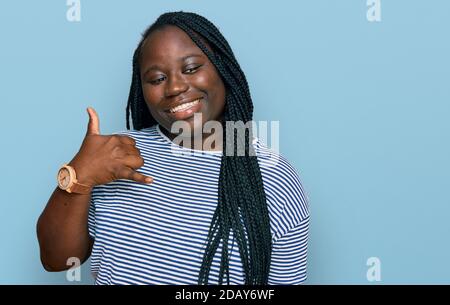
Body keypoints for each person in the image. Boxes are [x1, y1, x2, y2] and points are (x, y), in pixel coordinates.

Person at [37, 11, 310, 285]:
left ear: (223, 69)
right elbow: (56, 259)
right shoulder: (116, 155)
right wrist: (79, 174)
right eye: (157, 79)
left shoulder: (272, 176)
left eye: (191, 68)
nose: (175, 87)